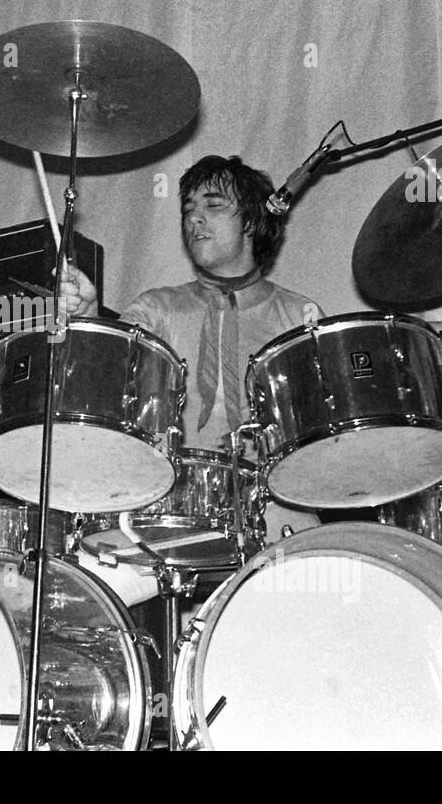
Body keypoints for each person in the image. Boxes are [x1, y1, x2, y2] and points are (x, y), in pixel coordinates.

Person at [60, 154, 322, 546]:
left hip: (275, 502)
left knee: (321, 575)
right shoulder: (156, 308)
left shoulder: (300, 315)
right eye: (188, 209)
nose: (194, 218)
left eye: (213, 206)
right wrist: (89, 318)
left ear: (252, 221)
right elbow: (106, 386)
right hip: (167, 503)